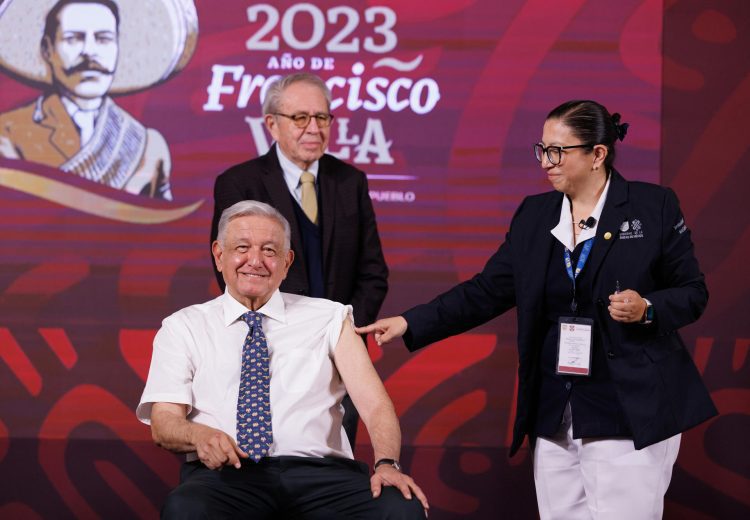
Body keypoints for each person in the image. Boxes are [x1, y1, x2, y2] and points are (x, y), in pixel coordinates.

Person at [357, 100, 717, 519]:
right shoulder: (535, 214)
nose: (546, 162)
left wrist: (648, 308)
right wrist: (409, 321)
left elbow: (693, 292)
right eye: (542, 150)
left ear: (597, 154)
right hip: (555, 410)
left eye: (558, 152)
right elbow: (488, 290)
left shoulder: (652, 207)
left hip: (628, 407)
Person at [138, 200, 426, 519]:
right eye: (242, 247)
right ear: (219, 255)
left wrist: (387, 463)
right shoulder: (184, 326)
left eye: (270, 251)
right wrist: (199, 435)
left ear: (287, 262)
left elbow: (375, 405)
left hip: (325, 476)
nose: (255, 261)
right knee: (186, 509)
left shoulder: (330, 317)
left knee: (400, 508)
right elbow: (164, 422)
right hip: (227, 477)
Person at [211, 72, 389, 445]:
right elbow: (234, 271)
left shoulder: (350, 181)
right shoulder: (239, 182)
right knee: (266, 460)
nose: (314, 128)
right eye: (301, 118)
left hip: (339, 356)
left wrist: (346, 333)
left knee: (335, 463)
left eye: (322, 118)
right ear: (272, 125)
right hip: (268, 351)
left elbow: (373, 272)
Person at [0, 0, 197, 199]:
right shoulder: (8, 134)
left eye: (103, 39)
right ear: (47, 49)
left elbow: (164, 223)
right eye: (73, 38)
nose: (89, 52)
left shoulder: (148, 146)